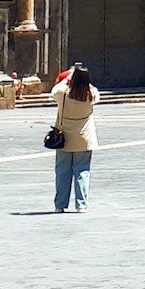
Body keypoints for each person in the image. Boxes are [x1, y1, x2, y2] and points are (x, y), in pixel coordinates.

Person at [51, 65, 98, 212]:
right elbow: (92, 89)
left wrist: (69, 77)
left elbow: (54, 91)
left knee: (62, 172)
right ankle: (82, 205)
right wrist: (84, 79)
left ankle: (60, 205)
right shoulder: (92, 94)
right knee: (82, 171)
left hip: (64, 138)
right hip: (84, 138)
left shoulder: (63, 94)